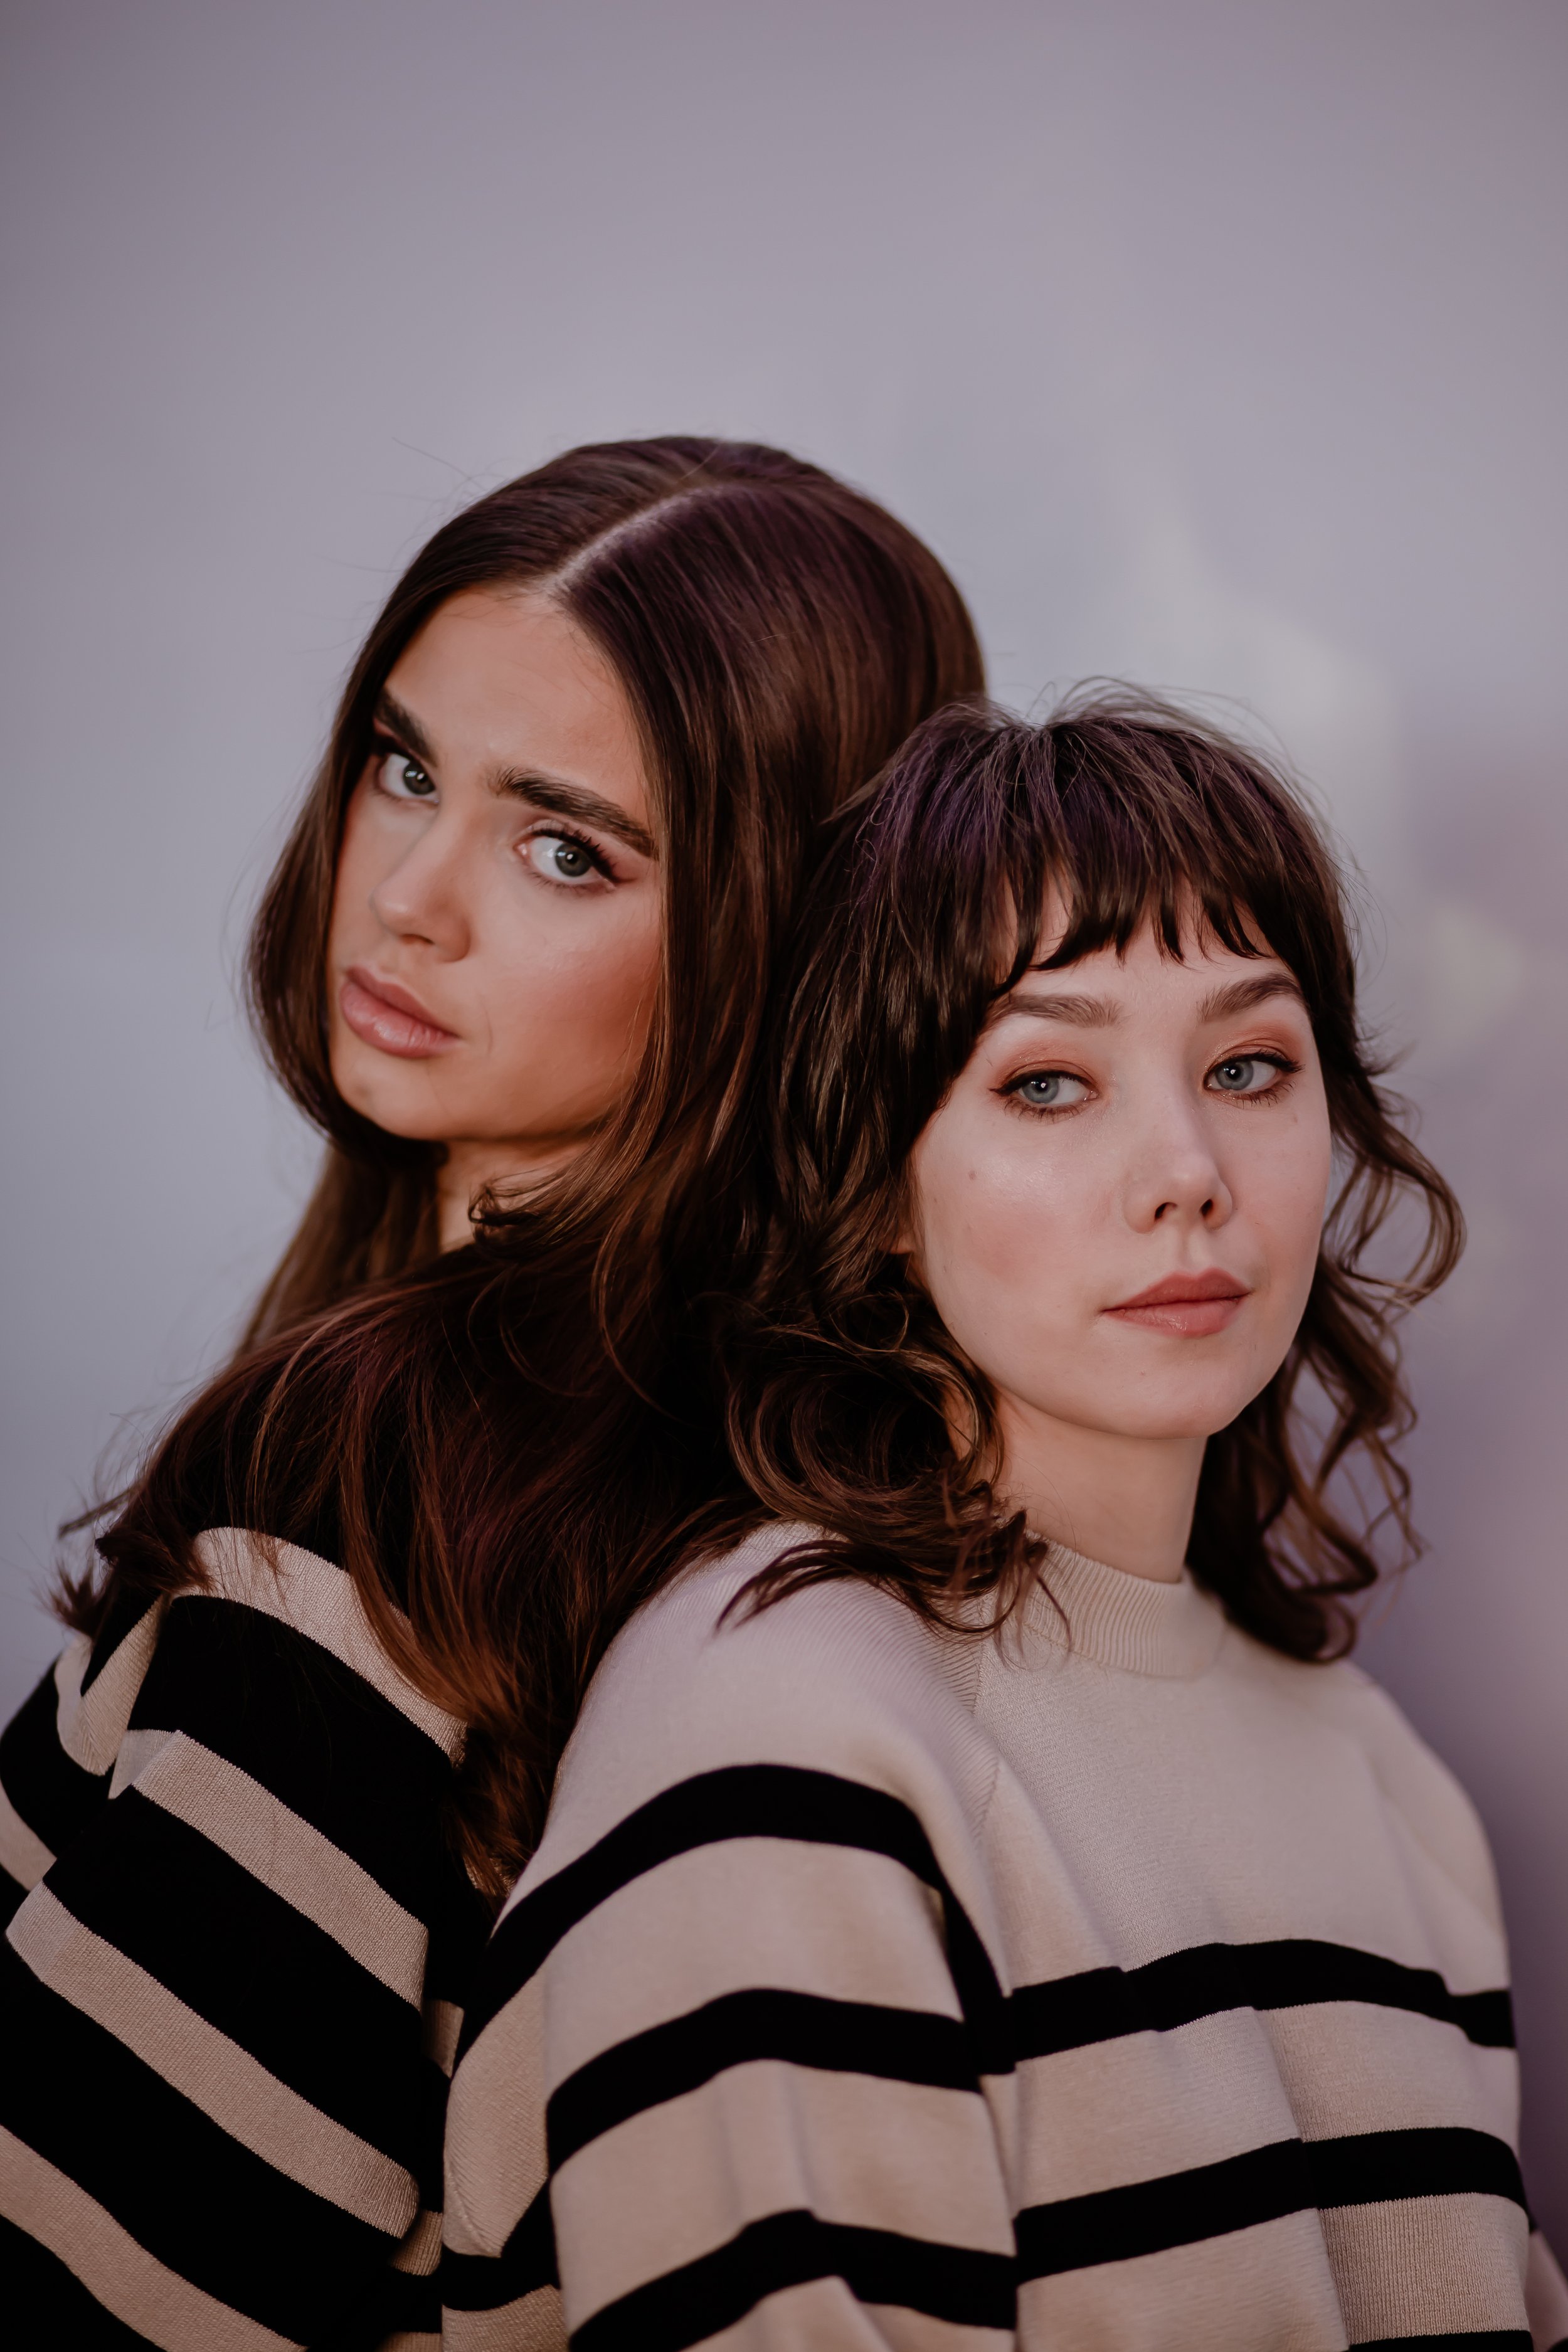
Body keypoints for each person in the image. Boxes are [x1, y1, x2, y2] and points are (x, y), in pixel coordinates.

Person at [0, 438, 985, 2348]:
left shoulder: (389, 1465)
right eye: (400, 766)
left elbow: (113, 2284)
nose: (409, 899)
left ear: (780, 945)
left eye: (565, 848)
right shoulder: (756, 1453)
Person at [443, 693, 1568, 2348]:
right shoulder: (784, 1739)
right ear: (882, 1188)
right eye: (1047, 1083)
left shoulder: (1382, 1781)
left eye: (1249, 1066)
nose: (1184, 1167)